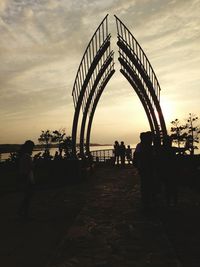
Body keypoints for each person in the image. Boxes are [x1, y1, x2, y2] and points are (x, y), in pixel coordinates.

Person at [17, 140, 35, 220]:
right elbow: (29, 167)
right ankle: (23, 213)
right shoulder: (26, 156)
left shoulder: (24, 156)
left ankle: (22, 212)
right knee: (28, 197)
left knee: (27, 196)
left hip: (26, 177)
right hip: (27, 178)